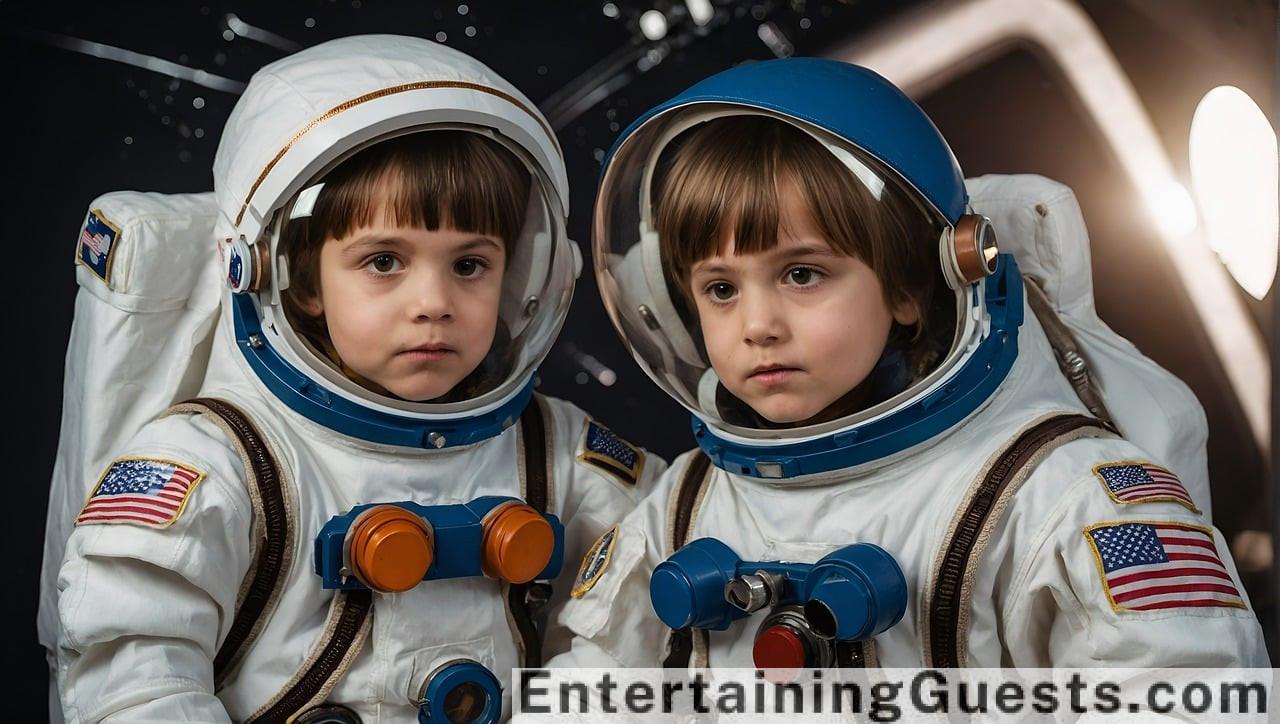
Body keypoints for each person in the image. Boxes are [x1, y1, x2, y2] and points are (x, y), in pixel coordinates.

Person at [543, 56, 1269, 680]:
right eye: (721, 289)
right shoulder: (688, 503)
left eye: (801, 274)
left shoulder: (1061, 499)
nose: (757, 326)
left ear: (908, 288)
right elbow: (594, 690)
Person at [53, 34, 661, 723]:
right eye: (383, 262)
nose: (432, 302)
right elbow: (132, 683)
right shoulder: (220, 463)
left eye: (469, 265)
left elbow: (643, 623)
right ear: (299, 279)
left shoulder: (554, 452)